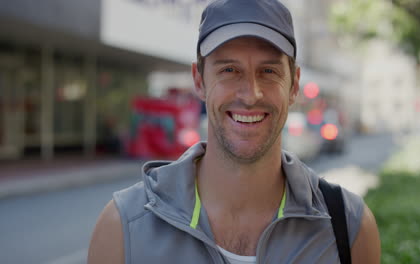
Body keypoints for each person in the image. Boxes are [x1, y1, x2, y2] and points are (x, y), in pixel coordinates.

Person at [88, 0, 380, 263]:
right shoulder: (122, 228)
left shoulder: (348, 227)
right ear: (199, 81)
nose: (250, 94)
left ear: (293, 85)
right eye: (229, 70)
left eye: (268, 71)